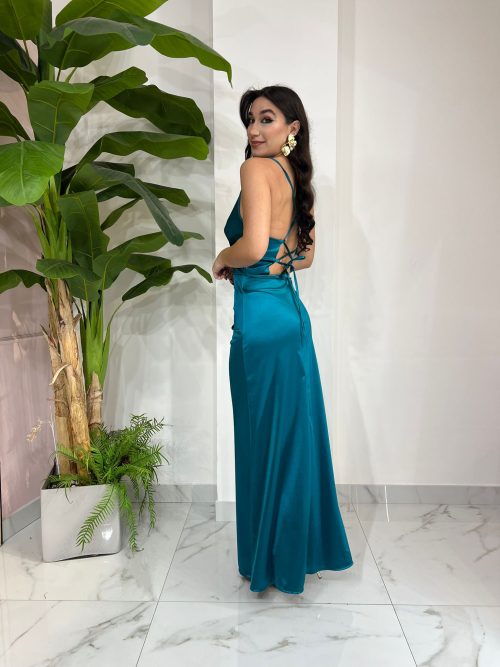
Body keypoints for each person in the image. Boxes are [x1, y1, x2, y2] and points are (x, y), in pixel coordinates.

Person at [212, 85, 353, 595]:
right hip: (291, 317)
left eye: (266, 119)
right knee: (291, 441)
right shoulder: (295, 175)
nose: (254, 129)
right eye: (250, 119)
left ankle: (267, 562)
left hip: (261, 322)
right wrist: (269, 261)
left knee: (261, 441)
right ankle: (290, 558)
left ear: (292, 128)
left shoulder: (255, 170)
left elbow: (252, 246)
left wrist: (224, 258)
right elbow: (304, 257)